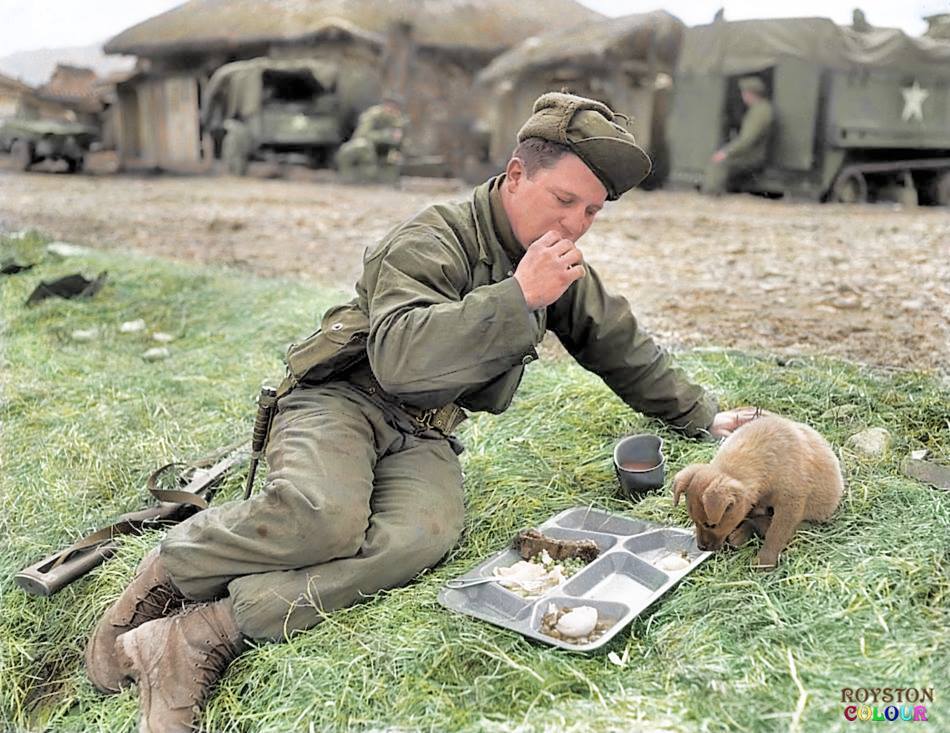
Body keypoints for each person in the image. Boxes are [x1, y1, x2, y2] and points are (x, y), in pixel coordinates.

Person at [84, 92, 764, 732]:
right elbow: (399, 360)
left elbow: (618, 344)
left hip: (423, 428)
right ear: (516, 175)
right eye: (564, 200)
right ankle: (168, 575)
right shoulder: (433, 236)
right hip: (342, 398)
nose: (575, 224)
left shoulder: (555, 267)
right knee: (324, 516)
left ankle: (200, 634)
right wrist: (517, 297)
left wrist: (706, 417)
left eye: (591, 213)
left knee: (421, 537)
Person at [702, 76, 774, 196]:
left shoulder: (761, 112)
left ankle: (710, 194)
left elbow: (747, 140)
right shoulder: (760, 109)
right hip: (752, 154)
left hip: (752, 156)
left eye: (744, 93)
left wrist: (726, 152)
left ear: (749, 94)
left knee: (718, 163)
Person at [336, 95, 407, 183]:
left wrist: (398, 145)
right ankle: (358, 178)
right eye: (389, 106)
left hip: (381, 151)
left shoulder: (398, 119)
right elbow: (362, 135)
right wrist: (386, 135)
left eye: (394, 107)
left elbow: (402, 142)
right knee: (363, 146)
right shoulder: (372, 115)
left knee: (395, 157)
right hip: (360, 149)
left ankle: (385, 181)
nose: (391, 109)